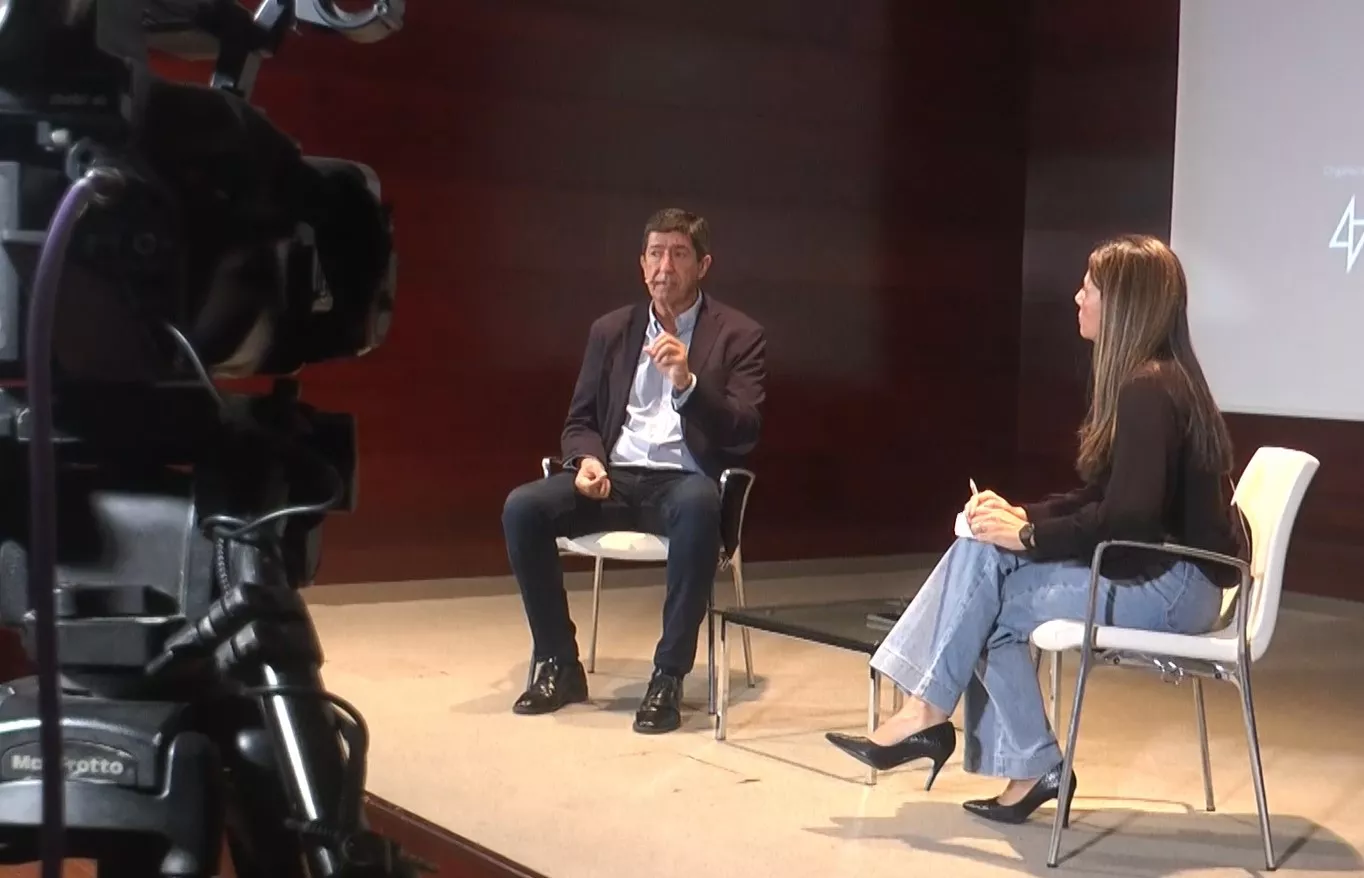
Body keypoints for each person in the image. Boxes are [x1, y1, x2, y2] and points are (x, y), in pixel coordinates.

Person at [826, 234, 1244, 823]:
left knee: (985, 600)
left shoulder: (1150, 389)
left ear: (1123, 304)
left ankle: (946, 722)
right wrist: (1021, 517)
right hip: (1164, 572)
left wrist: (1027, 539)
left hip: (1175, 590)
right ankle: (979, 741)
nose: (1077, 298)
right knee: (982, 560)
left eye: (1090, 289)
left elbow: (1128, 520)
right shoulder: (1157, 379)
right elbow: (1102, 496)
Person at [501, 208, 767, 734]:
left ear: (703, 264)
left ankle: (667, 676)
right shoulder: (611, 330)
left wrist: (688, 382)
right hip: (615, 477)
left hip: (684, 481)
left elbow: (744, 429)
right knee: (523, 508)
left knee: (697, 509)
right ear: (641, 264)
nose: (664, 265)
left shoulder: (739, 335)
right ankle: (559, 662)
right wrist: (588, 460)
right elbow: (579, 420)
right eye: (654, 253)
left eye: (678, 253)